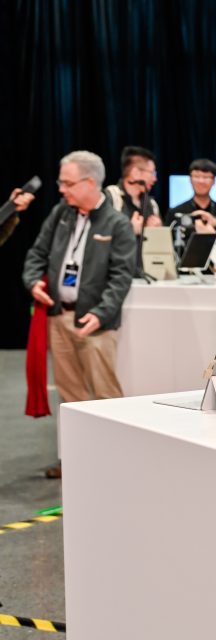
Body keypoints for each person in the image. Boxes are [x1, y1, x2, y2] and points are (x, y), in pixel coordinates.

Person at [22, 151, 136, 479]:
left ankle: (118, 462)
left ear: (90, 182)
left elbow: (121, 277)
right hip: (59, 318)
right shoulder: (61, 213)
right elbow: (37, 253)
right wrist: (33, 282)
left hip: (95, 324)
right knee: (70, 396)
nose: (61, 189)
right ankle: (75, 459)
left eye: (68, 183)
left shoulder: (117, 224)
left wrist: (101, 313)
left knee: (105, 395)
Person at [105, 145, 162, 236]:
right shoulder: (111, 197)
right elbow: (100, 235)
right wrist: (128, 230)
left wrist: (158, 232)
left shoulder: (152, 204)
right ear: (135, 173)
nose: (155, 179)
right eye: (152, 173)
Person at [164, 158, 216, 226]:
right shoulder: (175, 212)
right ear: (190, 179)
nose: (201, 181)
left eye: (206, 177)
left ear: (214, 181)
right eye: (197, 176)